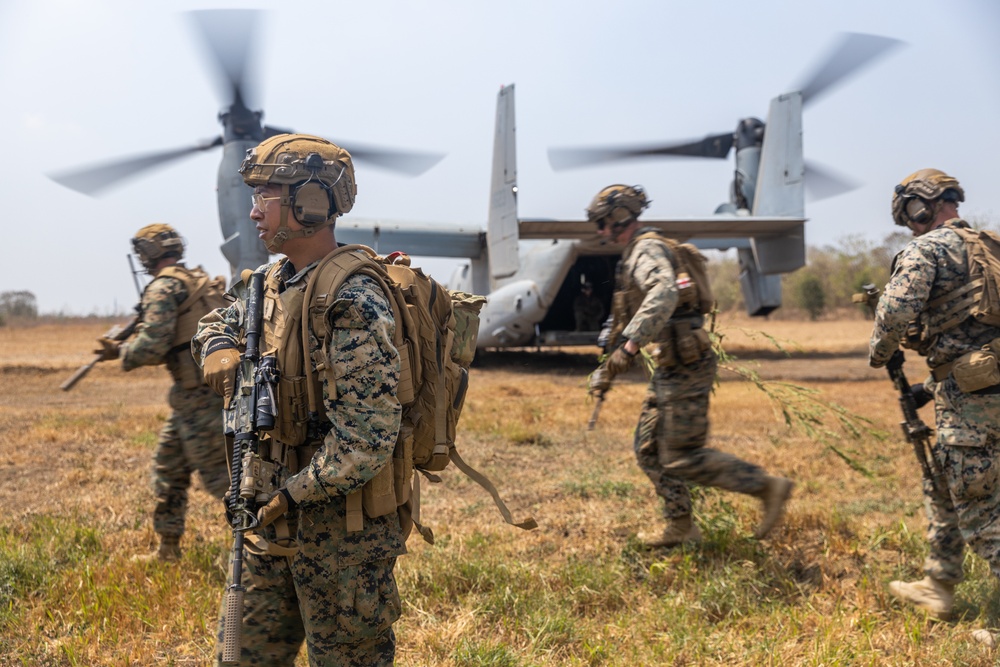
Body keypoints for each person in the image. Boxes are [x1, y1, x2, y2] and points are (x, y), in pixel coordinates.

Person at [192, 134, 405, 665]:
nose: (253, 210)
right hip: (269, 524)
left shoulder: (355, 302)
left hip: (341, 542)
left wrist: (287, 497)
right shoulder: (267, 282)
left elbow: (364, 443)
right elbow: (217, 321)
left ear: (308, 204)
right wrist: (218, 348)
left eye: (265, 195)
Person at [586, 184, 793, 548]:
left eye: (602, 223)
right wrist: (609, 365)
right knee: (649, 448)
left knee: (681, 456)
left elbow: (663, 293)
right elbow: (634, 311)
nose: (600, 232)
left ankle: (768, 487)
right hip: (671, 363)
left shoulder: (646, 250)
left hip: (686, 363)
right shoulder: (642, 250)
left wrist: (630, 347)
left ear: (619, 218)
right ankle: (681, 527)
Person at [870, 168, 1000, 622]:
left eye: (909, 214)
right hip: (979, 386)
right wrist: (931, 386)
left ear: (919, 206)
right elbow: (976, 331)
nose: (910, 224)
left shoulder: (926, 249)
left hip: (972, 404)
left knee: (981, 512)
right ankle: (938, 584)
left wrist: (878, 350)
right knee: (944, 483)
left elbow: (895, 311)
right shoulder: (991, 246)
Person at [93, 224, 229, 562]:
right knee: (168, 470)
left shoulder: (162, 288)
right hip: (197, 399)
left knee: (225, 484)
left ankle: (272, 550)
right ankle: (168, 549)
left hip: (201, 402)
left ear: (146, 254)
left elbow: (152, 345)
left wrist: (120, 353)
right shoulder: (195, 279)